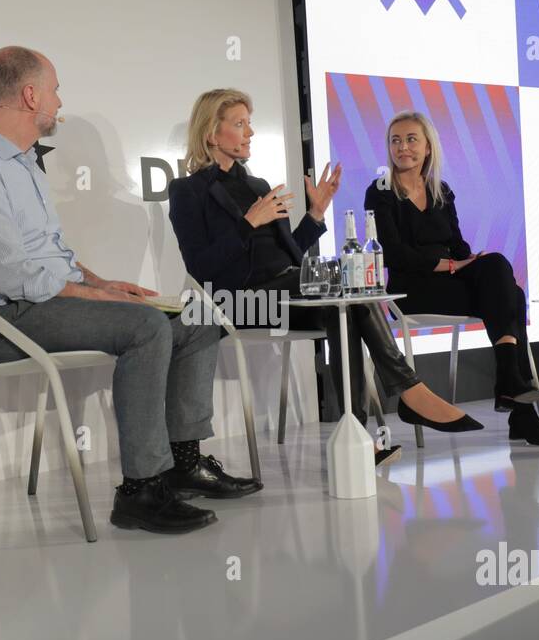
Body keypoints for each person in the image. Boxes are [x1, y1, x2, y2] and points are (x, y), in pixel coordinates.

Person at [0, 47, 261, 535]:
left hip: (45, 303)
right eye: (54, 90)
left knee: (197, 321)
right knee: (147, 328)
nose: (58, 102)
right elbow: (13, 278)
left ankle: (184, 461)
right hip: (10, 320)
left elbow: (52, 257)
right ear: (29, 95)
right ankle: (140, 490)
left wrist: (101, 283)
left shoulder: (22, 164)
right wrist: (96, 298)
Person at [167, 89, 482, 468]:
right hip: (238, 302)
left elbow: (289, 256)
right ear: (211, 133)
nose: (249, 132)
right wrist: (248, 223)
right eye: (239, 124)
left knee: (345, 308)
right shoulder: (187, 191)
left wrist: (315, 215)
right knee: (342, 285)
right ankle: (408, 388)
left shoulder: (258, 187)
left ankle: (359, 440)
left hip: (288, 293)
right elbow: (201, 267)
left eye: (249, 123)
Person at [364, 111, 539, 447]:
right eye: (395, 140)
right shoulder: (380, 191)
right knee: (509, 296)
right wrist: (452, 266)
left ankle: (512, 387)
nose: (402, 147)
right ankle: (516, 400)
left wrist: (469, 260)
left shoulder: (441, 190)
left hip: (448, 281)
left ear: (427, 147)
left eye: (411, 139)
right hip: (411, 290)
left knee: (498, 270)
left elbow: (458, 245)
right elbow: (394, 255)